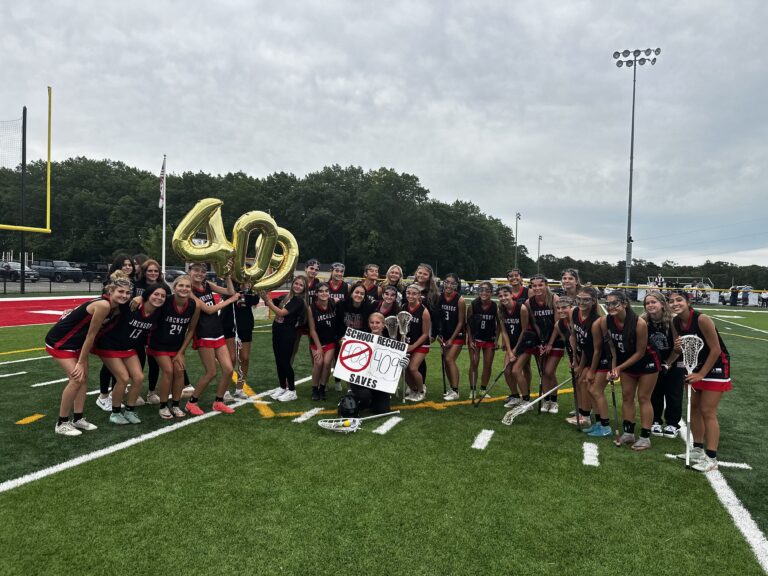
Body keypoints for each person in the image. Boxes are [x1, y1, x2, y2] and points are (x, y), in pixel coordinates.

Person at [48, 273, 132, 436]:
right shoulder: (104, 305)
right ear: (111, 291)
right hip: (61, 341)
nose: (124, 295)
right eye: (120, 292)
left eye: (128, 293)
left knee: (83, 378)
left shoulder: (114, 308)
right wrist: (80, 362)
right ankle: (62, 422)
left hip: (76, 342)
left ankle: (78, 418)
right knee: (76, 379)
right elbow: (91, 335)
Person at [670, 290, 731, 472]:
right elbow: (680, 350)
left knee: (707, 410)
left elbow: (716, 350)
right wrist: (676, 347)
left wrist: (701, 374)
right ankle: (697, 449)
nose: (675, 304)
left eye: (679, 300)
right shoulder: (675, 321)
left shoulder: (702, 319)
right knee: (694, 409)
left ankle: (711, 458)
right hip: (695, 367)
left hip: (716, 367)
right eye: (671, 301)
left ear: (688, 302)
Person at [92, 282, 167, 425]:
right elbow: (107, 301)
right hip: (110, 344)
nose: (159, 298)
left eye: (163, 296)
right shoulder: (132, 305)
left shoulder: (158, 312)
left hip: (128, 347)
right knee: (123, 378)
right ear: (147, 295)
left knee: (138, 378)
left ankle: (130, 410)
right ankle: (115, 413)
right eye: (156, 294)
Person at [601, 291, 660, 450]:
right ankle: (628, 433)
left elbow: (640, 352)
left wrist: (619, 367)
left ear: (624, 304)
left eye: (615, 303)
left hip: (646, 362)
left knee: (643, 398)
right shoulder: (606, 321)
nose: (611, 307)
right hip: (626, 363)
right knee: (627, 395)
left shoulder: (638, 323)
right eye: (608, 303)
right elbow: (611, 348)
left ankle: (645, 437)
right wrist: (613, 367)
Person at [186, 263, 240, 415]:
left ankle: (218, 401)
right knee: (211, 372)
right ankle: (192, 402)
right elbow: (209, 310)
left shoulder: (207, 284)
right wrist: (230, 300)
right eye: (196, 270)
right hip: (203, 333)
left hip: (217, 331)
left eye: (203, 271)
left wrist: (227, 275)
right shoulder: (188, 290)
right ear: (189, 271)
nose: (200, 273)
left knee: (228, 369)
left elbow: (230, 291)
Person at [146, 275, 200, 419]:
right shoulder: (166, 301)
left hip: (176, 346)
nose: (184, 289)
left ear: (191, 289)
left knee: (180, 371)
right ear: (174, 287)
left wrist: (181, 352)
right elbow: (149, 302)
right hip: (159, 343)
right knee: (168, 371)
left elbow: (191, 330)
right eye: (180, 285)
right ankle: (163, 406)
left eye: (187, 286)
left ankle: (175, 405)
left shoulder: (194, 305)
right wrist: (140, 298)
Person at [96, 254, 136, 408]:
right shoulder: (111, 283)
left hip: (125, 329)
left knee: (118, 366)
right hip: (111, 329)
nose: (127, 267)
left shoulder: (133, 283)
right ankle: (103, 395)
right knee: (109, 365)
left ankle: (114, 394)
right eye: (124, 265)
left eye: (130, 265)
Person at [261, 276, 309, 401]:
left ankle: (292, 390)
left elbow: (281, 313)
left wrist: (268, 301)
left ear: (304, 289)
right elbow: (269, 300)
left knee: (285, 362)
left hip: (288, 333)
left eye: (301, 285)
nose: (297, 286)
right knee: (278, 360)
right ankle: (282, 387)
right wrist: (264, 291)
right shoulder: (287, 297)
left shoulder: (299, 301)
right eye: (296, 283)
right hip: (277, 330)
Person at [643, 291, 683, 439]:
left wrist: (668, 363)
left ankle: (673, 423)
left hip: (675, 360)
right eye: (647, 303)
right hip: (654, 361)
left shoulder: (673, 321)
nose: (650, 305)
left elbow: (678, 347)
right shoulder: (644, 321)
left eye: (654, 302)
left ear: (662, 304)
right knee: (655, 392)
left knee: (674, 393)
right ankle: (655, 421)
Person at [569, 286, 609, 428]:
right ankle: (584, 414)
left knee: (591, 386)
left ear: (593, 301)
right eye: (579, 299)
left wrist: (590, 370)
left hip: (601, 358)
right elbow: (577, 338)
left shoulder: (596, 321)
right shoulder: (574, 313)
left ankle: (597, 421)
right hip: (587, 354)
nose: (581, 302)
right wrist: (576, 360)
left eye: (586, 300)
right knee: (581, 381)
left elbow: (597, 349)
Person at [348, 312, 402, 414]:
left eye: (378, 322)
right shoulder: (360, 339)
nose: (374, 325)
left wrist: (403, 362)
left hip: (379, 383)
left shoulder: (391, 343)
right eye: (372, 322)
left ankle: (373, 401)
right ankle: (355, 396)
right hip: (362, 381)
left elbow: (394, 364)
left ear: (383, 325)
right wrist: (345, 344)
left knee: (382, 410)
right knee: (364, 398)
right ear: (368, 324)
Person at [526, 275, 564, 414]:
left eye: (540, 285)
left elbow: (557, 324)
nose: (537, 288)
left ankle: (554, 401)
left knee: (549, 371)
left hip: (556, 339)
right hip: (541, 341)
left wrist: (550, 343)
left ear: (546, 285)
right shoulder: (529, 303)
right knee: (543, 372)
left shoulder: (554, 299)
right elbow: (535, 322)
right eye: (534, 286)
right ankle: (546, 399)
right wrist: (542, 340)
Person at [220, 280, 260, 400]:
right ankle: (225, 390)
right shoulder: (228, 282)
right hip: (228, 324)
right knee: (231, 358)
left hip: (245, 324)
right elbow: (227, 294)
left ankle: (239, 388)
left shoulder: (250, 286)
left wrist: (249, 287)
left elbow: (254, 301)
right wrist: (239, 287)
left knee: (245, 358)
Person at [466, 281, 499, 399]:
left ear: (491, 292)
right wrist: (470, 340)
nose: (484, 293)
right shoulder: (473, 305)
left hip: (489, 338)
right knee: (474, 363)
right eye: (481, 290)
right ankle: (473, 389)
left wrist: (497, 339)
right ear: (478, 291)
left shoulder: (495, 306)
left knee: (488, 364)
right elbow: (468, 324)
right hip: (476, 338)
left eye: (487, 291)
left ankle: (482, 389)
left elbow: (499, 324)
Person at [498, 284, 529, 407]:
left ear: (512, 295)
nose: (503, 298)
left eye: (506, 295)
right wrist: (510, 351)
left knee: (516, 371)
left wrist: (515, 350)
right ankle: (515, 396)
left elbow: (524, 330)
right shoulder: (500, 310)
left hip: (525, 343)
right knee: (506, 371)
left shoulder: (522, 309)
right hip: (511, 345)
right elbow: (504, 332)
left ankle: (526, 401)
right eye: (500, 296)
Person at [437, 273, 466, 401]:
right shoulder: (439, 297)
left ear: (456, 285)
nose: (449, 285)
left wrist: (452, 339)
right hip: (444, 334)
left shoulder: (460, 300)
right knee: (446, 362)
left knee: (449, 359)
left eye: (452, 283)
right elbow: (438, 317)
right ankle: (451, 388)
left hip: (457, 334)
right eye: (447, 282)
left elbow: (461, 322)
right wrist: (439, 334)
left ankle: (455, 390)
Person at [308, 282, 338, 400]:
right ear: (316, 293)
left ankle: (322, 387)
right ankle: (315, 389)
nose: (324, 293)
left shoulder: (333, 303)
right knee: (318, 363)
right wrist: (319, 347)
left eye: (326, 291)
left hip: (330, 340)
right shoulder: (312, 308)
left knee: (326, 364)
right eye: (321, 291)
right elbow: (312, 330)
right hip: (317, 342)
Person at [402, 283, 431, 402]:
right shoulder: (403, 307)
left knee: (413, 368)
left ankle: (421, 391)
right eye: (408, 293)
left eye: (414, 293)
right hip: (407, 343)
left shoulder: (424, 311)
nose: (411, 296)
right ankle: (413, 389)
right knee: (402, 368)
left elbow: (425, 334)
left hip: (421, 344)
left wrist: (413, 346)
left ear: (419, 295)